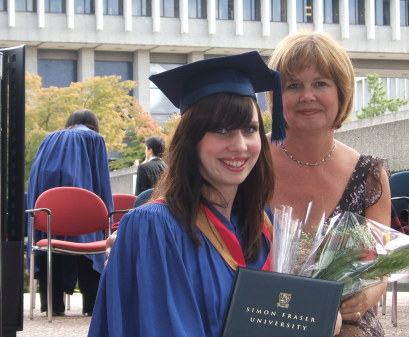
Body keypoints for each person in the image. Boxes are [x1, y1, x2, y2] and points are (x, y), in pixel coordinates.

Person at [89, 51, 335, 337]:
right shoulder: (155, 228)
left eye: (249, 128)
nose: (240, 145)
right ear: (191, 140)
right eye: (221, 130)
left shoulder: (263, 225)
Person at [266, 32, 391, 337]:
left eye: (320, 83)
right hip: (262, 314)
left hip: (344, 322)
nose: (307, 96)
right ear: (276, 96)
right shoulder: (250, 161)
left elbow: (380, 264)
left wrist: (363, 298)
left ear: (342, 91)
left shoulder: (369, 174)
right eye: (294, 85)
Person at [27, 109, 113, 316]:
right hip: (83, 209)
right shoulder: (94, 139)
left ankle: (53, 305)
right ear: (93, 123)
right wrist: (106, 214)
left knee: (52, 239)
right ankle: (92, 306)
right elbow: (101, 180)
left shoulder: (49, 139)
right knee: (86, 240)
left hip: (47, 211)